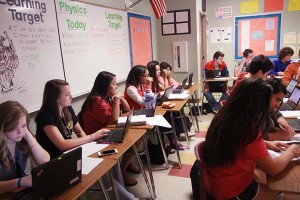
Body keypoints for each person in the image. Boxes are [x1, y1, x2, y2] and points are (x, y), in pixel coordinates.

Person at [35, 79, 138, 200]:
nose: (71, 97)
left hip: (72, 153)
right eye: (67, 95)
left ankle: (121, 195)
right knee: (102, 167)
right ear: (55, 98)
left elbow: (79, 131)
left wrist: (90, 146)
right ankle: (129, 198)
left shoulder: (67, 109)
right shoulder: (46, 116)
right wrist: (92, 137)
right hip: (58, 161)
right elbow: (62, 145)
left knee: (113, 161)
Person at [202, 78, 300, 199]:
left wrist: (264, 142)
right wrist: (292, 152)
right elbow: (273, 169)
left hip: (216, 185)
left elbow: (237, 143)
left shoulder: (226, 117)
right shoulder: (249, 128)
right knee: (291, 195)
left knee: (263, 177)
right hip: (232, 193)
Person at [79, 71, 139, 187]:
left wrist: (120, 98)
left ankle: (126, 165)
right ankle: (123, 171)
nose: (116, 86)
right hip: (96, 139)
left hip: (106, 132)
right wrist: (117, 99)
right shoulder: (96, 100)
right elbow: (114, 120)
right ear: (105, 85)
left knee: (135, 139)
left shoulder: (106, 98)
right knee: (132, 141)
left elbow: (127, 110)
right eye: (114, 84)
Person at [0, 101, 50, 195]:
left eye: (23, 126)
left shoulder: (22, 139)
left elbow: (44, 161)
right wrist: (21, 182)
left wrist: (28, 135)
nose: (20, 132)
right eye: (14, 127)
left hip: (19, 192)